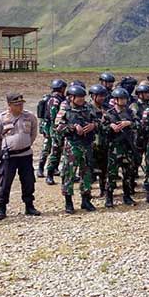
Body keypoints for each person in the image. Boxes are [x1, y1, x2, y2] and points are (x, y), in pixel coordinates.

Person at [0, 93, 40, 220]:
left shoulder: (29, 117)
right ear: (9, 105)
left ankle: (29, 206)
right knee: (5, 182)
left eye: (21, 103)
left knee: (28, 181)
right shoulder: (1, 119)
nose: (20, 106)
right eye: (16, 104)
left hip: (25, 155)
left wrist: (24, 144)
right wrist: (1, 149)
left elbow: (33, 134)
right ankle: (1, 208)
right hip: (9, 156)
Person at [55, 85, 99, 213]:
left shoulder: (89, 107)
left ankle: (86, 200)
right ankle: (68, 202)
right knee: (69, 173)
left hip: (87, 145)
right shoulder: (65, 109)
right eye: (78, 97)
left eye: (82, 97)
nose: (81, 100)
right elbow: (57, 126)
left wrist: (93, 125)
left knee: (86, 173)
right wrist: (73, 127)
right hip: (72, 146)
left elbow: (99, 121)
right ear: (71, 97)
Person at [103, 87, 137, 208]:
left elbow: (140, 125)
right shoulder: (109, 114)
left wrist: (129, 123)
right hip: (114, 148)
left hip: (128, 147)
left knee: (128, 173)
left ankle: (127, 196)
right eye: (121, 99)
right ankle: (109, 197)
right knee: (112, 174)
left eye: (125, 98)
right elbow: (101, 129)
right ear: (115, 100)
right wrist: (110, 126)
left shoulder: (130, 113)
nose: (123, 101)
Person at [37, 79, 66, 179]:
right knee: (51, 148)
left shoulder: (50, 98)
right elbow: (53, 115)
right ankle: (42, 169)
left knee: (49, 148)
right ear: (62, 88)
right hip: (52, 127)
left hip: (48, 126)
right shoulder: (56, 100)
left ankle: (49, 169)